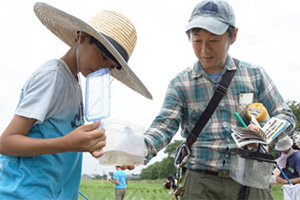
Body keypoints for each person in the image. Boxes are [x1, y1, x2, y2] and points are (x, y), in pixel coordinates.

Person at [144, 0, 296, 199]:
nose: (204, 50)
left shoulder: (254, 75)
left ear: (233, 36)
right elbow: (164, 126)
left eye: (214, 40)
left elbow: (286, 116)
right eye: (197, 41)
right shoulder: (181, 83)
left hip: (250, 180)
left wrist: (263, 134)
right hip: (201, 182)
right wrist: (139, 149)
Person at [0, 2, 151, 200]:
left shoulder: (74, 81)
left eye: (111, 66)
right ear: (82, 37)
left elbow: (59, 134)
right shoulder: (53, 76)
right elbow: (7, 142)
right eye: (103, 57)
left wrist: (94, 145)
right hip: (24, 192)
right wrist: (68, 143)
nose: (103, 69)